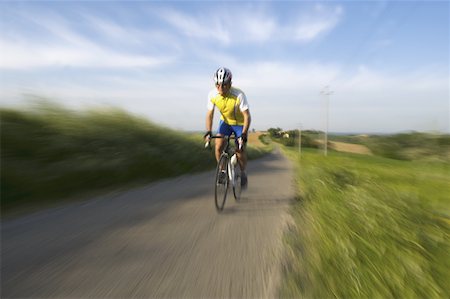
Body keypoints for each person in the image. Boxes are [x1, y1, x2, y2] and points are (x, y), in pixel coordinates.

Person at [204, 67, 251, 188]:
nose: (221, 88)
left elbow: (247, 116)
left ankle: (243, 172)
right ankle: (223, 171)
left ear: (230, 83)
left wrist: (244, 134)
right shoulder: (212, 94)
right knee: (218, 145)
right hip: (225, 123)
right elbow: (210, 114)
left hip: (240, 124)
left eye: (224, 85)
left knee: (240, 150)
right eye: (218, 85)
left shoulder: (239, 95)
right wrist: (209, 131)